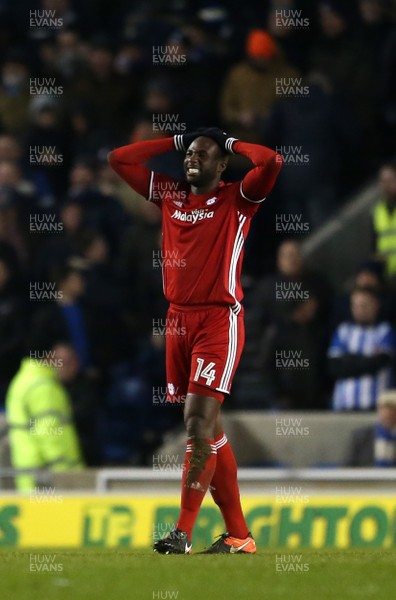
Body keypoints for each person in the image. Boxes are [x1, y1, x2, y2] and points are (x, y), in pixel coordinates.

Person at [108, 127, 282, 554]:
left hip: (218, 320)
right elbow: (119, 159)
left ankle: (182, 532)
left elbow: (272, 162)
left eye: (203, 155)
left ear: (221, 166)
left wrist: (232, 142)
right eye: (190, 154)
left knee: (196, 423)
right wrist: (176, 140)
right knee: (212, 432)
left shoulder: (238, 198)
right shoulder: (169, 194)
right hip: (178, 320)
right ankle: (240, 537)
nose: (192, 160)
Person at [6, 342, 84, 491]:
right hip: (48, 482)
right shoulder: (44, 387)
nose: (75, 369)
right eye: (70, 362)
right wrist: (69, 477)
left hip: (29, 476)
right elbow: (50, 435)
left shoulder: (23, 380)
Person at [328, 286, 395, 411]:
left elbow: (379, 362)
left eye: (365, 305)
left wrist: (349, 359)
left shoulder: (385, 331)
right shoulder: (343, 331)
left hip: (375, 406)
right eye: (356, 305)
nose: (360, 310)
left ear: (376, 305)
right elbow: (334, 366)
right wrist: (367, 358)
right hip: (343, 405)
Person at [345, 389, 396, 466]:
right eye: (384, 409)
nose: (388, 414)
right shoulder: (361, 436)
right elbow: (347, 466)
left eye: (392, 409)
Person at [372, 161, 396, 281]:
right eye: (383, 181)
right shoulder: (377, 211)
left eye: (390, 180)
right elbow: (374, 247)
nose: (387, 185)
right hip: (388, 276)